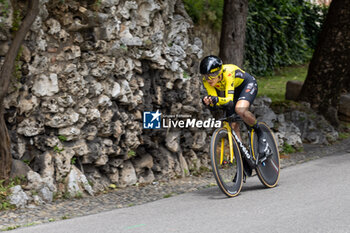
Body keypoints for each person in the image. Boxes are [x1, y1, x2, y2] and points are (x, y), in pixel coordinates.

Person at [199, 55, 268, 159]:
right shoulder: (207, 81)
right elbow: (216, 101)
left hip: (247, 85)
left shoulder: (228, 73)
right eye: (206, 76)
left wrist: (216, 100)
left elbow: (229, 101)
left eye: (212, 75)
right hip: (233, 92)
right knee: (232, 125)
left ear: (219, 72)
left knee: (240, 109)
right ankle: (243, 158)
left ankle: (260, 134)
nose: (208, 79)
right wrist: (209, 102)